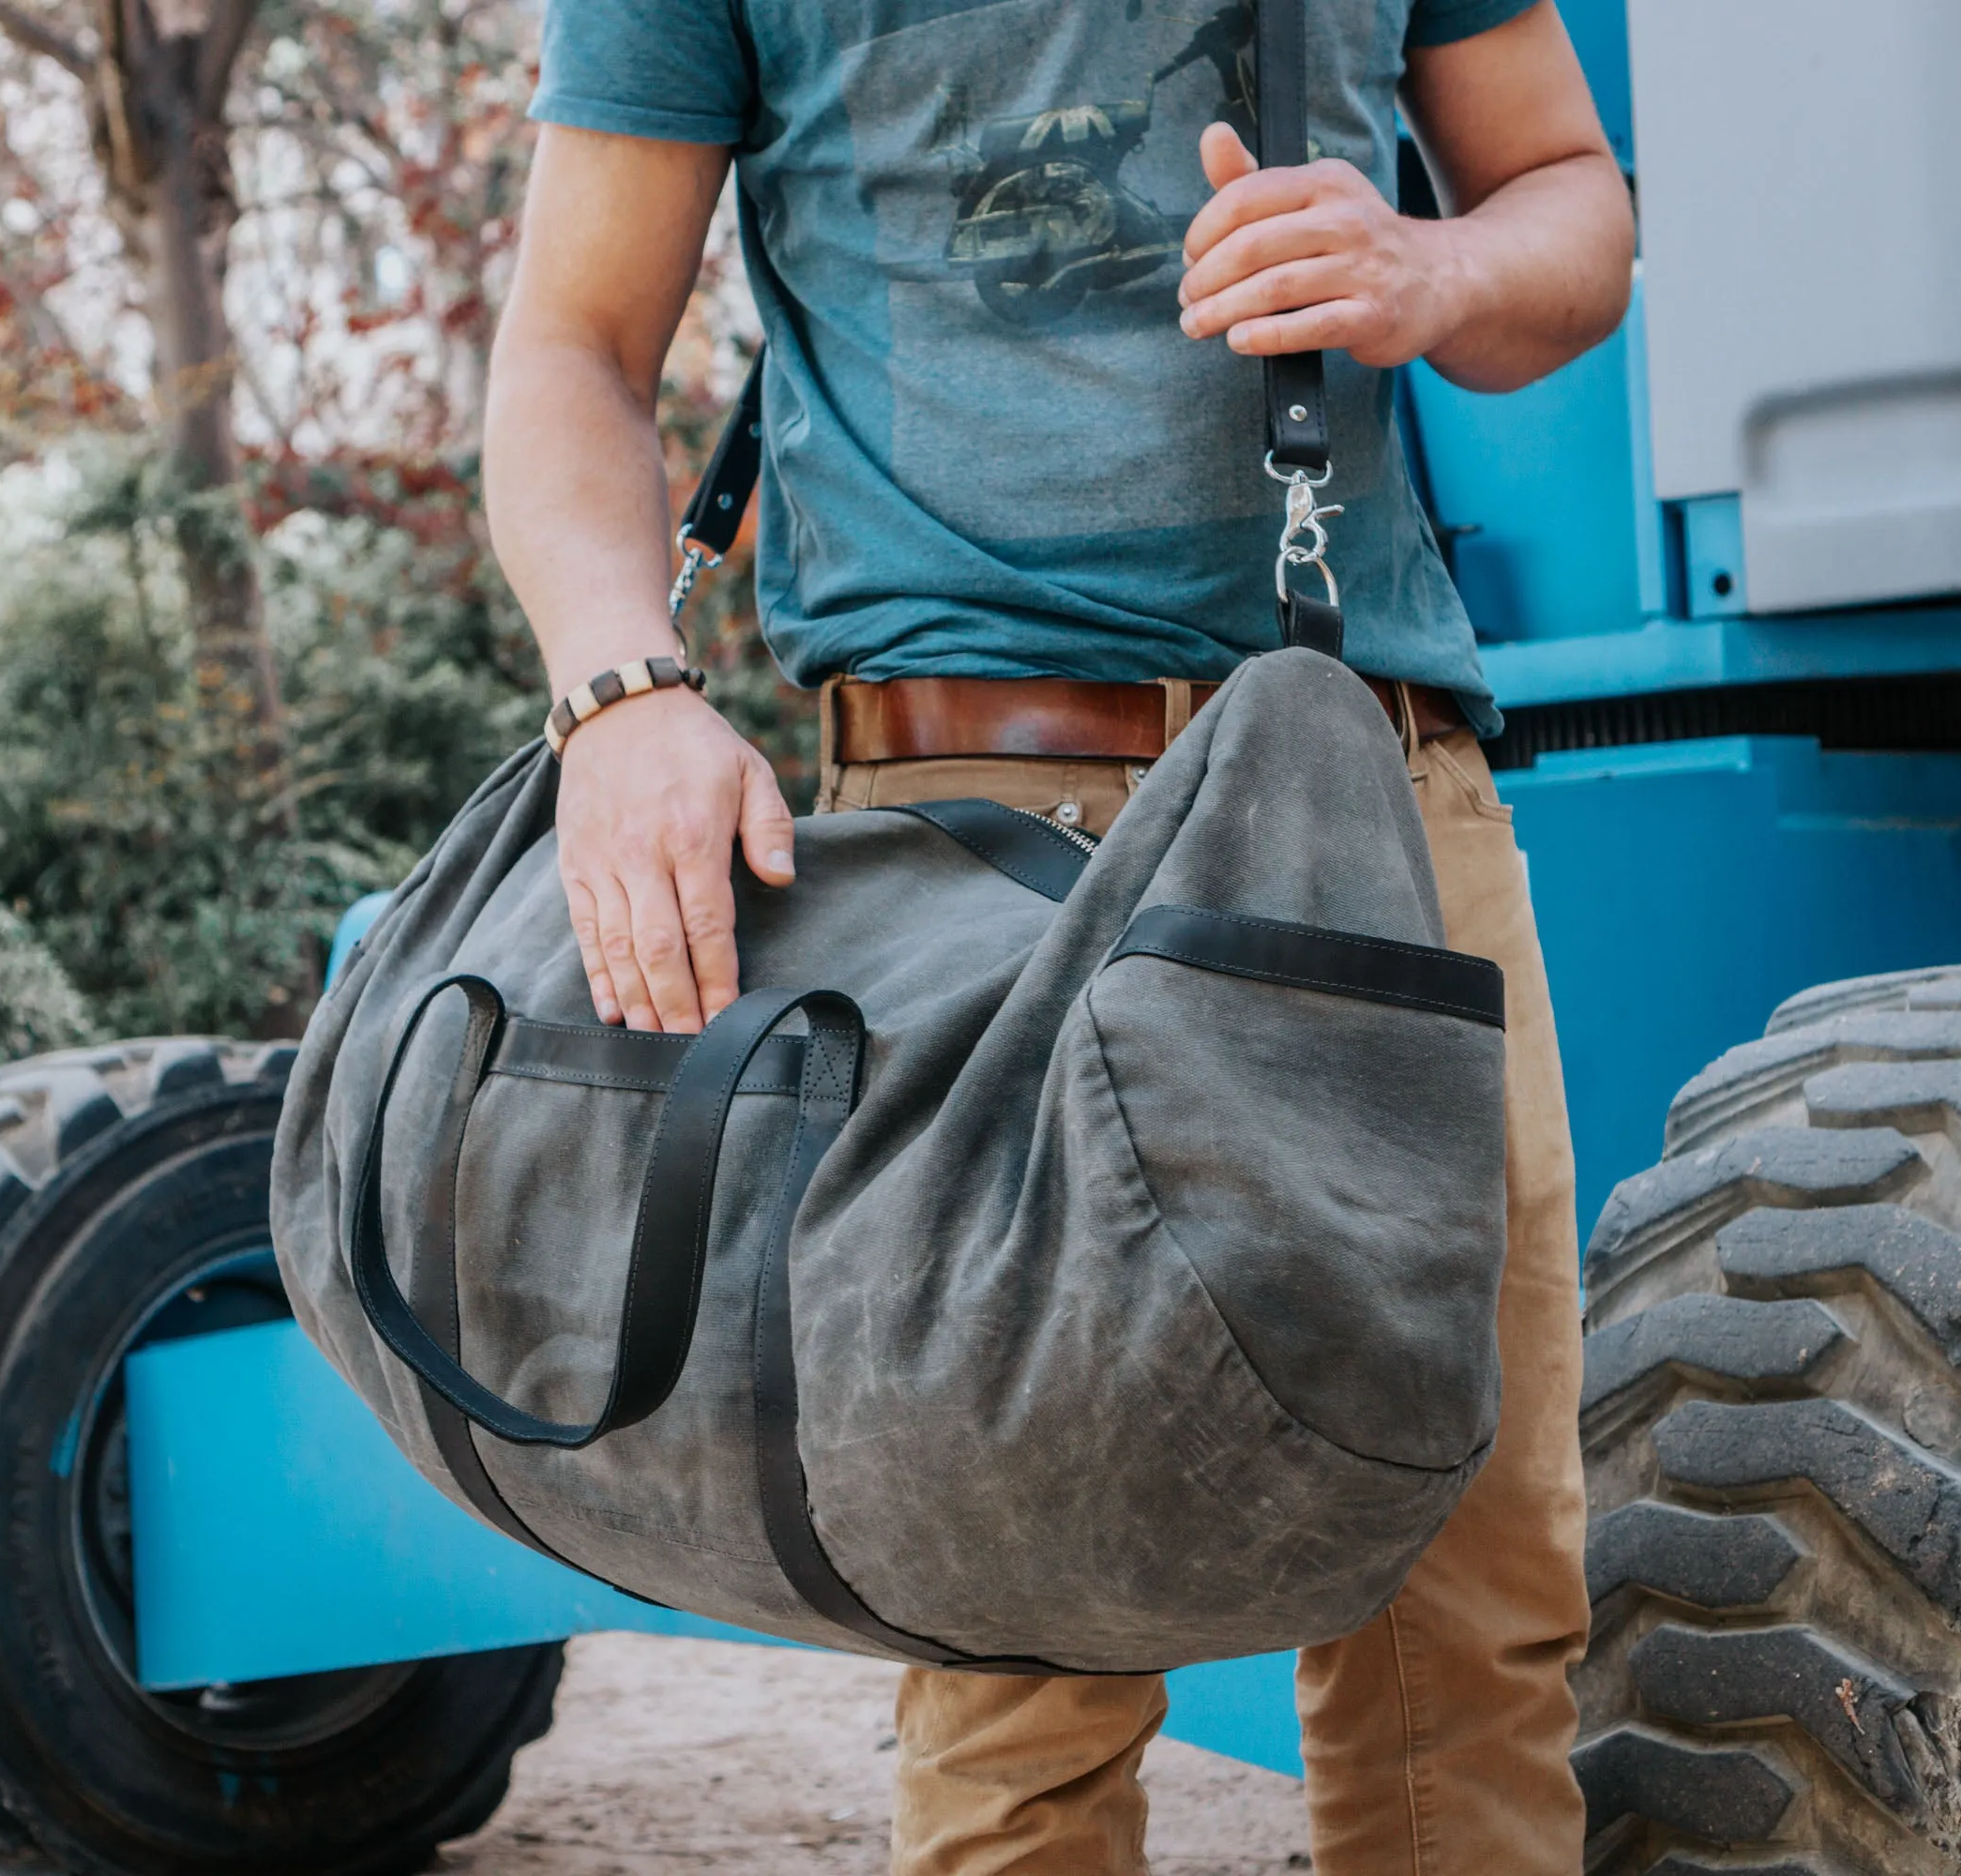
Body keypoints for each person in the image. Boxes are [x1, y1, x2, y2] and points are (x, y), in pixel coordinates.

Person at [482, 1, 1634, 1868]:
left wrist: (1426, 269)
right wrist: (621, 695)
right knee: (1015, 1646)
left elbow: (1567, 202)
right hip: (970, 828)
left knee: (1472, 1599)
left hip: (1372, 782)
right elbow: (574, 342)